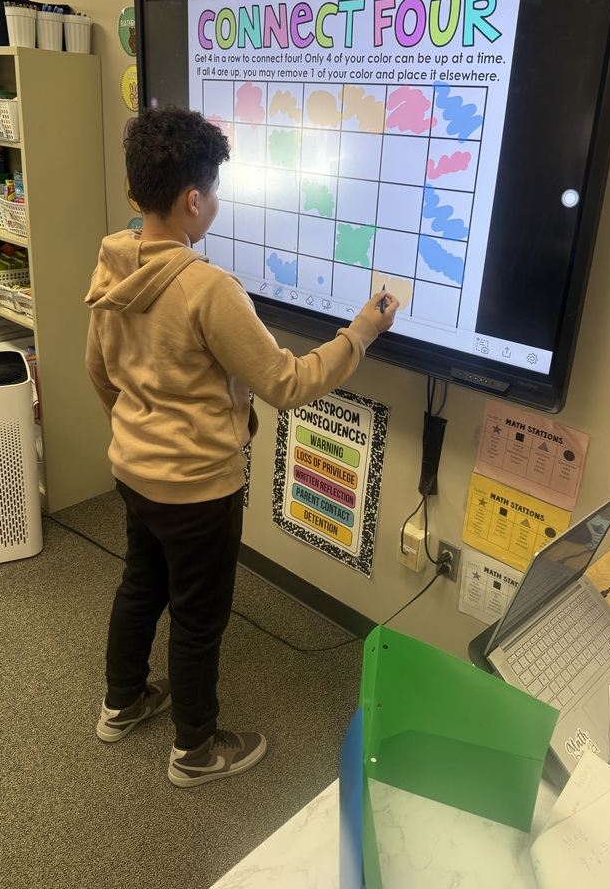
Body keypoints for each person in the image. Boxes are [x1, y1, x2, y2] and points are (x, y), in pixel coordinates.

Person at [85, 104, 399, 787]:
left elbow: (100, 373)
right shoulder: (207, 288)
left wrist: (136, 431)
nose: (216, 203)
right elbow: (286, 383)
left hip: (133, 472)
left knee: (141, 583)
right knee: (198, 618)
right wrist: (362, 333)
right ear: (195, 201)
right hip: (198, 489)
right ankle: (194, 752)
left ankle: (122, 701)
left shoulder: (112, 262)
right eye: (216, 193)